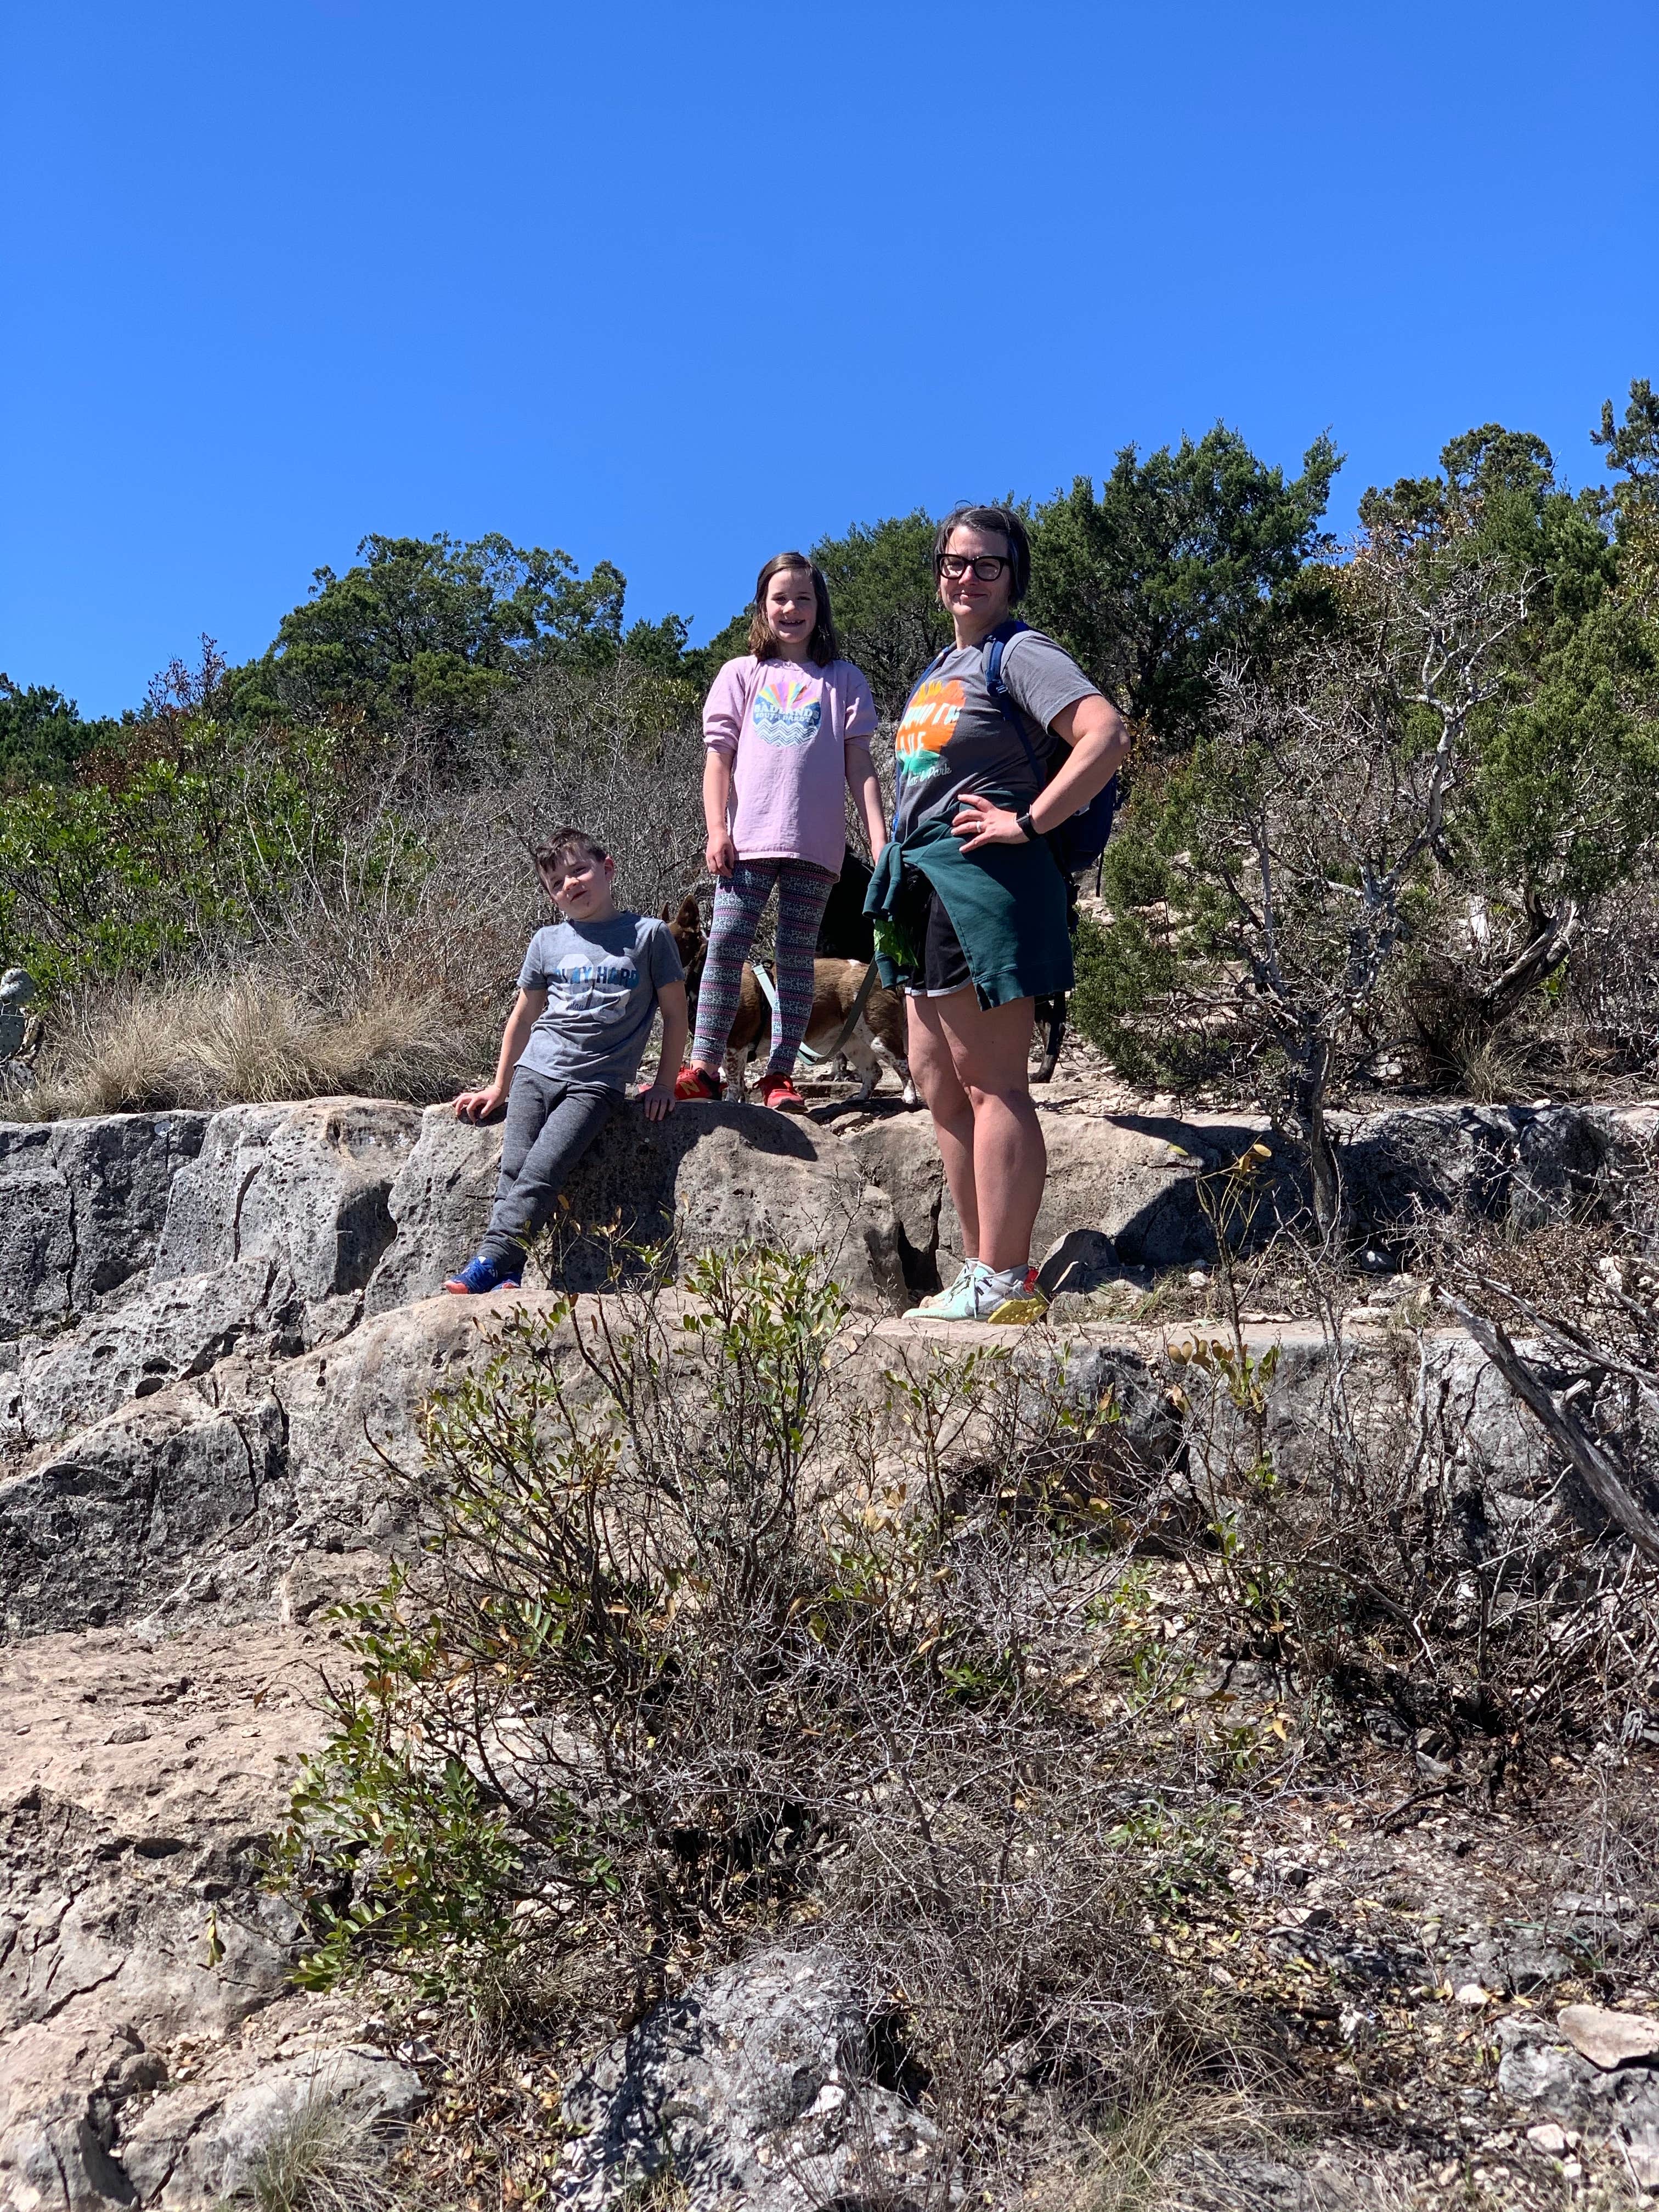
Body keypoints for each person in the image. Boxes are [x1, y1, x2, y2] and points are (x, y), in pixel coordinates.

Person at [865, 505, 1127, 1323]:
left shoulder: (1023, 654)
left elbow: (1105, 733)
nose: (966, 576)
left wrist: (1030, 821)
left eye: (986, 564)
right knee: (940, 1085)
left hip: (988, 883)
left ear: (1013, 576)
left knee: (991, 1082)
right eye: (954, 562)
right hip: (926, 886)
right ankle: (979, 1275)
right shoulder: (945, 665)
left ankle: (1007, 1278)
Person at [675, 551, 888, 1112]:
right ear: (762, 607)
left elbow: (860, 767)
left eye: (803, 598)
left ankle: (779, 1076)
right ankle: (705, 1067)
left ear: (820, 609)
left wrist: (880, 841)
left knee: (796, 958)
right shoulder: (740, 674)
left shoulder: (843, 679)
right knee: (724, 947)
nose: (791, 609)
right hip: (746, 842)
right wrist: (716, 830)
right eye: (780, 599)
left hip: (814, 847)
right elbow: (718, 759)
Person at [443, 827, 688, 1294]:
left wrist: (664, 1084)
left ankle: (488, 1262)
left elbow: (675, 1015)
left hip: (596, 1082)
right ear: (552, 897)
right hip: (536, 1071)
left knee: (543, 1171)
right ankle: (507, 1271)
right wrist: (501, 1085)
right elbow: (524, 1014)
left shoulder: (649, 936)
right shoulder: (547, 941)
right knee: (514, 1170)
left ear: (607, 868)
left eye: (580, 871)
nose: (571, 885)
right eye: (558, 883)